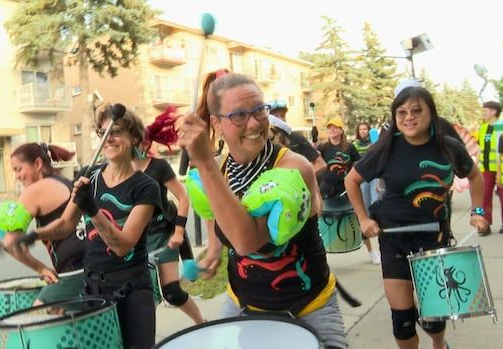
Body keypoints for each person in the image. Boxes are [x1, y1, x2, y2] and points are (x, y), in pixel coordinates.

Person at [179, 72, 347, 349]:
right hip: (244, 304)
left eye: (259, 110)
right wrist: (211, 258)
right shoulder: (215, 171)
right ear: (216, 124)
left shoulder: (294, 167)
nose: (255, 123)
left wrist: (205, 163)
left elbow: (246, 241)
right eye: (239, 116)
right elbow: (220, 237)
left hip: (309, 307)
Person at [344, 86, 488, 349]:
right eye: (401, 112)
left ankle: (439, 343)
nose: (408, 117)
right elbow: (352, 180)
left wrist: (477, 211)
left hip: (435, 238)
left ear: (430, 113)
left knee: (434, 318)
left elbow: (475, 176)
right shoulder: (386, 148)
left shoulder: (448, 147)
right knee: (402, 320)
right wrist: (364, 219)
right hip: (393, 239)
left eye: (416, 110)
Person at [19, 106, 162, 349]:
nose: (109, 139)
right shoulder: (90, 178)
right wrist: (33, 235)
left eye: (116, 132)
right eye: (103, 133)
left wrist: (92, 209)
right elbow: (65, 225)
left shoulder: (146, 187)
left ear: (135, 138)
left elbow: (123, 245)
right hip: (94, 289)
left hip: (133, 291)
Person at [0, 143, 86, 305]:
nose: (17, 177)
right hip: (92, 265)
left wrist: (41, 268)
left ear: (38, 164)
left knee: (36, 316)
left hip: (74, 272)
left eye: (18, 169)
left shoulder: (34, 191)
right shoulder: (64, 182)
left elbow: (10, 244)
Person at [133, 107, 205, 324]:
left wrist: (179, 232)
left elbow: (183, 198)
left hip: (164, 232)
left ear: (144, 144)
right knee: (142, 296)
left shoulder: (159, 167)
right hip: (138, 240)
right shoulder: (121, 171)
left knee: (172, 292)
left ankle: (201, 323)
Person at [269, 100, 326, 176]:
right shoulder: (263, 141)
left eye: (282, 116)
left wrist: (301, 179)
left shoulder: (296, 137)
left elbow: (320, 164)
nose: (280, 119)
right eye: (275, 116)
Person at [352, 121, 382, 264]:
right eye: (361, 129)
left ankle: (379, 228)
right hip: (361, 178)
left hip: (374, 177)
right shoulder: (355, 145)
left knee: (376, 202)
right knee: (364, 207)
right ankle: (371, 250)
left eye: (365, 129)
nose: (363, 131)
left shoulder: (375, 143)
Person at [477, 101, 503, 235]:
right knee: (484, 196)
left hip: (501, 169)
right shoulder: (483, 127)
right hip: (485, 168)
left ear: (494, 112)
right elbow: (480, 148)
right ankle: (484, 225)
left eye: (485, 110)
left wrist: (499, 171)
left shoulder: (502, 127)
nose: (483, 113)